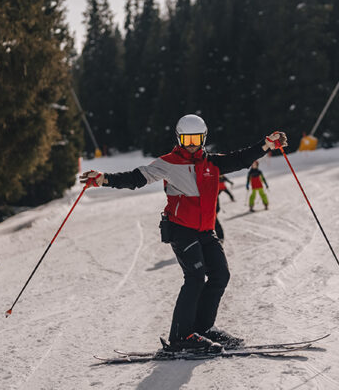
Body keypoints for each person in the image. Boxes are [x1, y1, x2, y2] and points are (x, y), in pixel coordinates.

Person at [79, 114, 288, 353]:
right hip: (181, 230)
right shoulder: (168, 163)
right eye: (186, 139)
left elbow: (240, 160)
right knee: (195, 278)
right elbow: (137, 177)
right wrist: (104, 179)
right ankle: (180, 337)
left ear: (203, 138)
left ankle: (202, 329)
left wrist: (266, 145)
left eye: (196, 139)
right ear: (179, 138)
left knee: (220, 275)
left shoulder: (211, 162)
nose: (191, 144)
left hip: (205, 230)